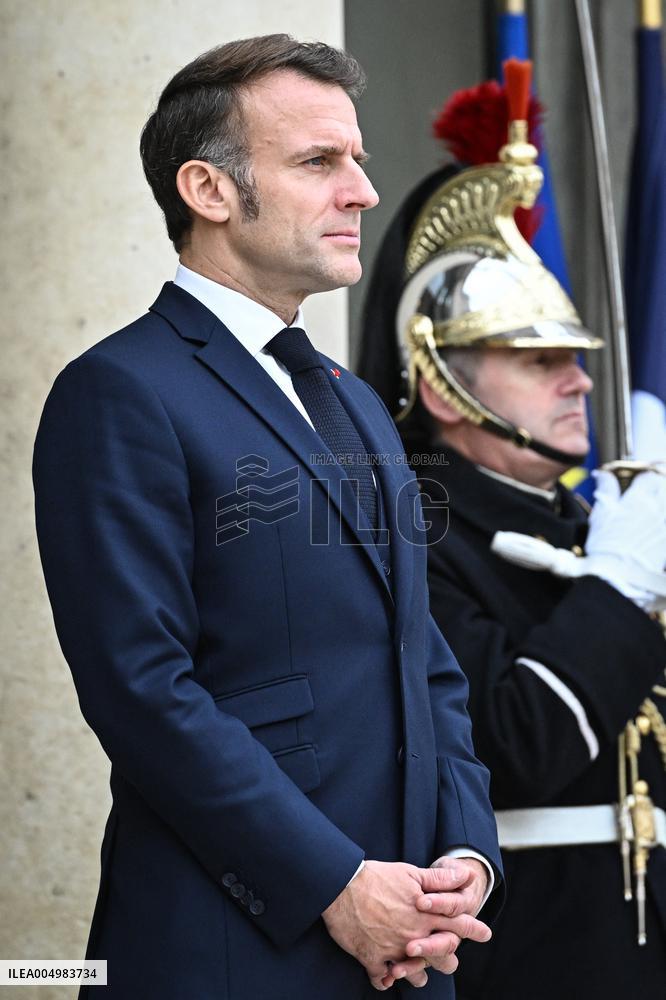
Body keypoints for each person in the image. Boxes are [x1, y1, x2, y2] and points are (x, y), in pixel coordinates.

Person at [32, 35, 503, 1000]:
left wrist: (465, 852)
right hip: (228, 952)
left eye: (358, 159)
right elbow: (141, 690)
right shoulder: (117, 393)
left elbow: (428, 660)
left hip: (414, 947)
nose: (363, 191)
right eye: (319, 162)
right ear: (208, 190)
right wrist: (334, 885)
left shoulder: (357, 400)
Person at [358, 89, 666, 999]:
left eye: (574, 357)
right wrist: (618, 587)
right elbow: (514, 740)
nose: (580, 382)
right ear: (447, 388)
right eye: (540, 361)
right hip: (523, 949)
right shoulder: (409, 527)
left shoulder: (587, 523)